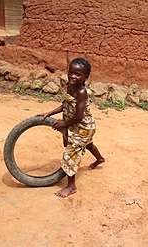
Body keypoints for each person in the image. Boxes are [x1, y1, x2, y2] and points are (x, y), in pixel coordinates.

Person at [37, 58, 105, 198]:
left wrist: (64, 123)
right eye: (71, 72)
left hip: (83, 126)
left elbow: (79, 116)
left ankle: (71, 186)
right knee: (88, 144)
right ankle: (100, 159)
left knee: (71, 153)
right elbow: (65, 105)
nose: (73, 76)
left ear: (86, 77)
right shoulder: (70, 86)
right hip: (74, 124)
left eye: (78, 74)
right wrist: (49, 113)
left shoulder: (81, 92)